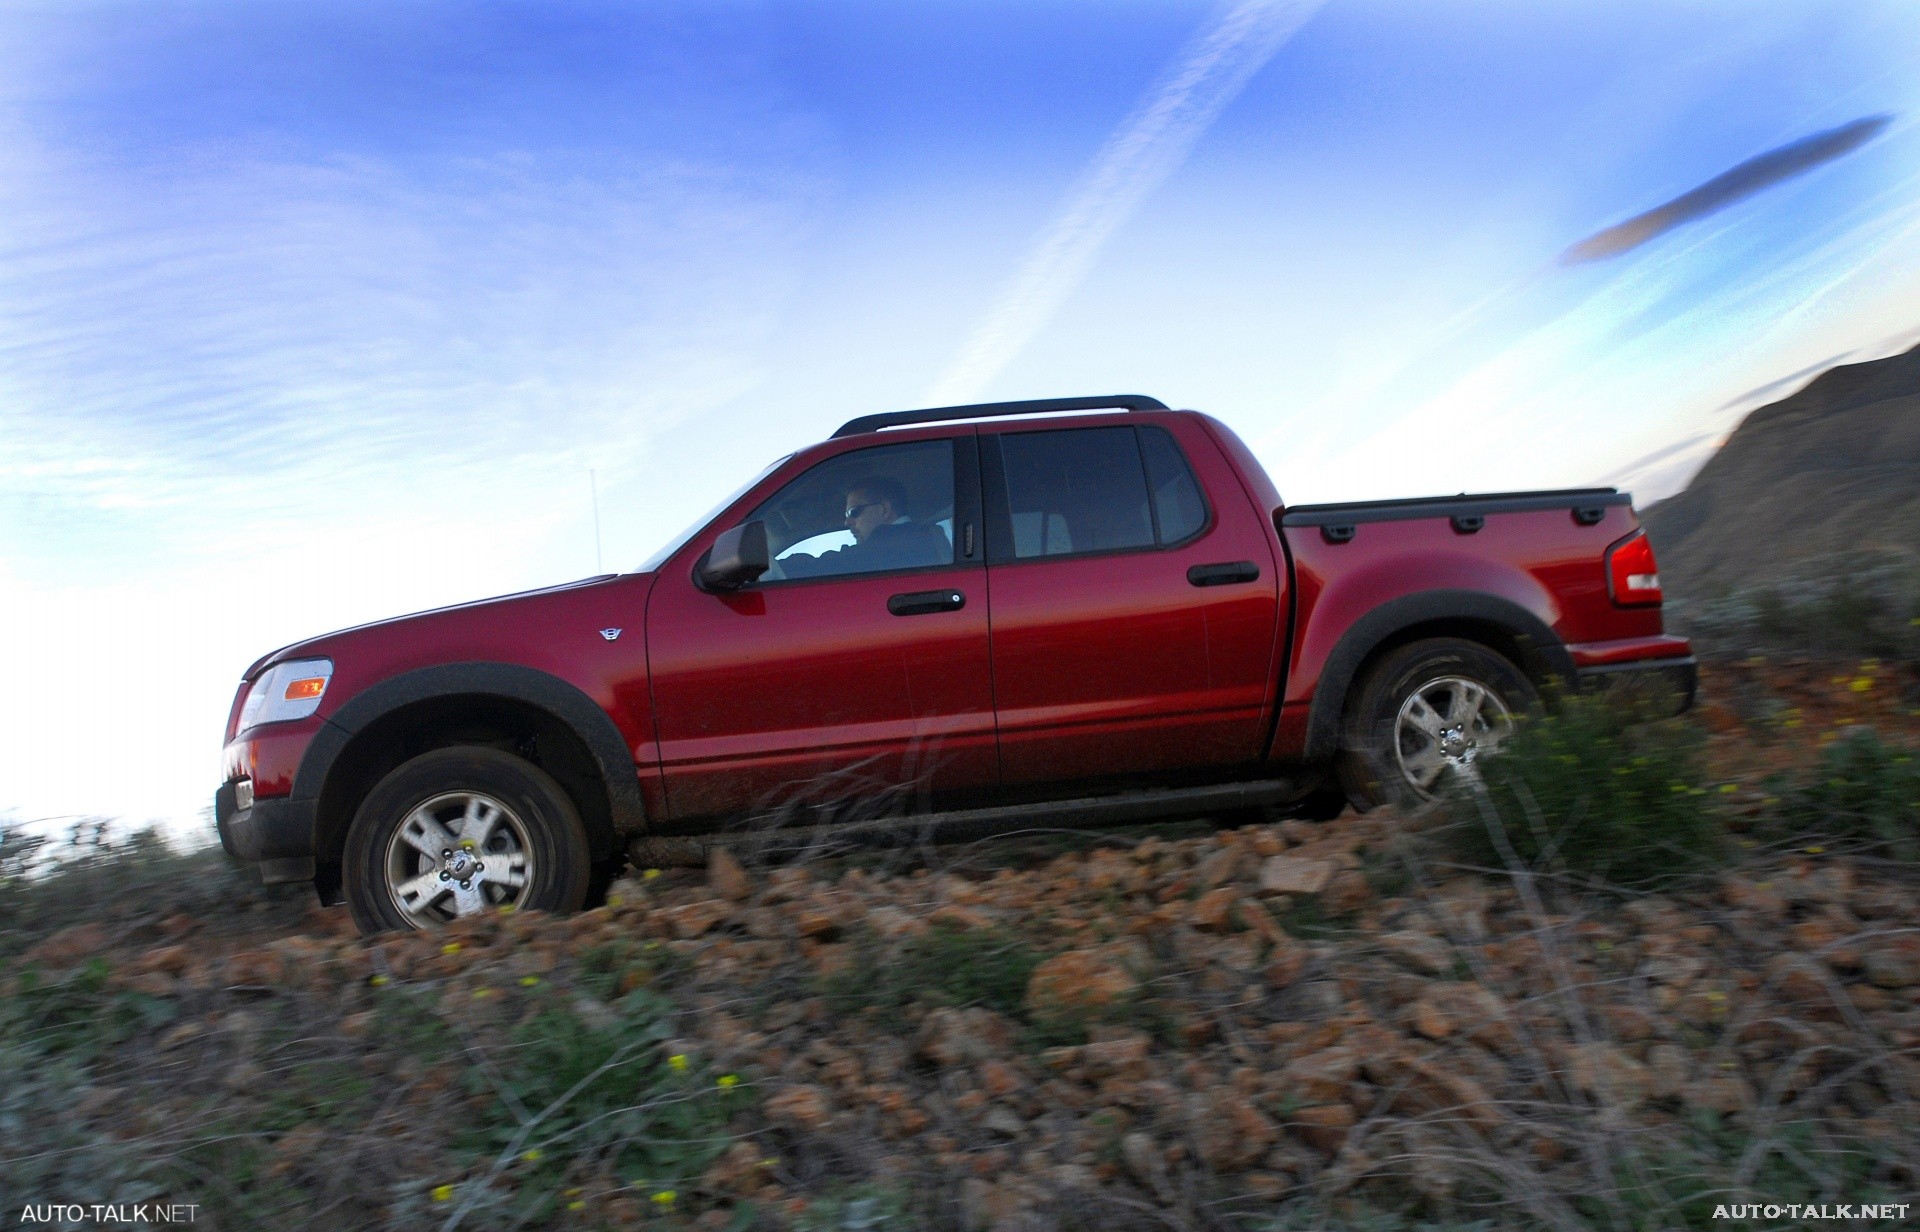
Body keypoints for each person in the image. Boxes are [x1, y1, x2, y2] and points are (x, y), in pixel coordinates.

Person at [815, 476, 949, 573]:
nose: (847, 522)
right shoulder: (924, 536)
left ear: (884, 509)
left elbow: (822, 566)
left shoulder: (890, 545)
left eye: (854, 512)